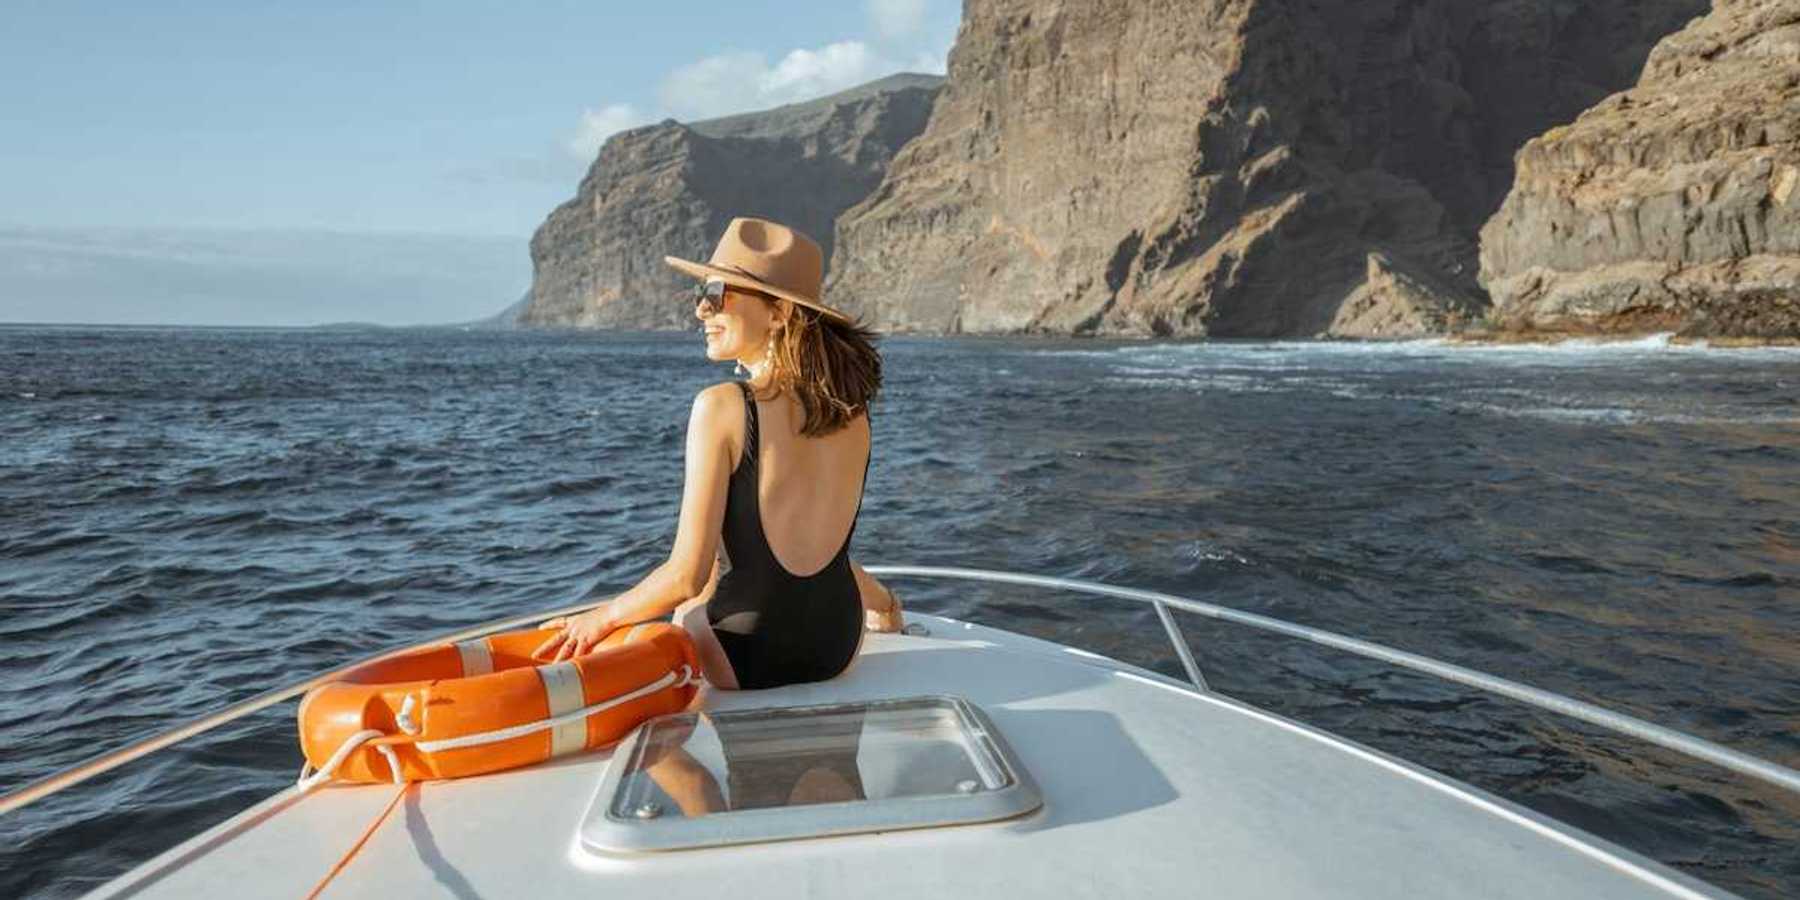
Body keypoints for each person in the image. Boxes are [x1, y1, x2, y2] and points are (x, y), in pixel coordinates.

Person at [533, 217, 904, 690]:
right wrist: (885, 604)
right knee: (723, 568)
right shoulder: (854, 415)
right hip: (837, 644)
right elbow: (822, 553)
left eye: (718, 294)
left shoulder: (724, 406)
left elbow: (683, 577)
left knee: (691, 604)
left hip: (747, 655)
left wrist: (598, 619)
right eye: (702, 295)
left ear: (780, 313)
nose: (702, 310)